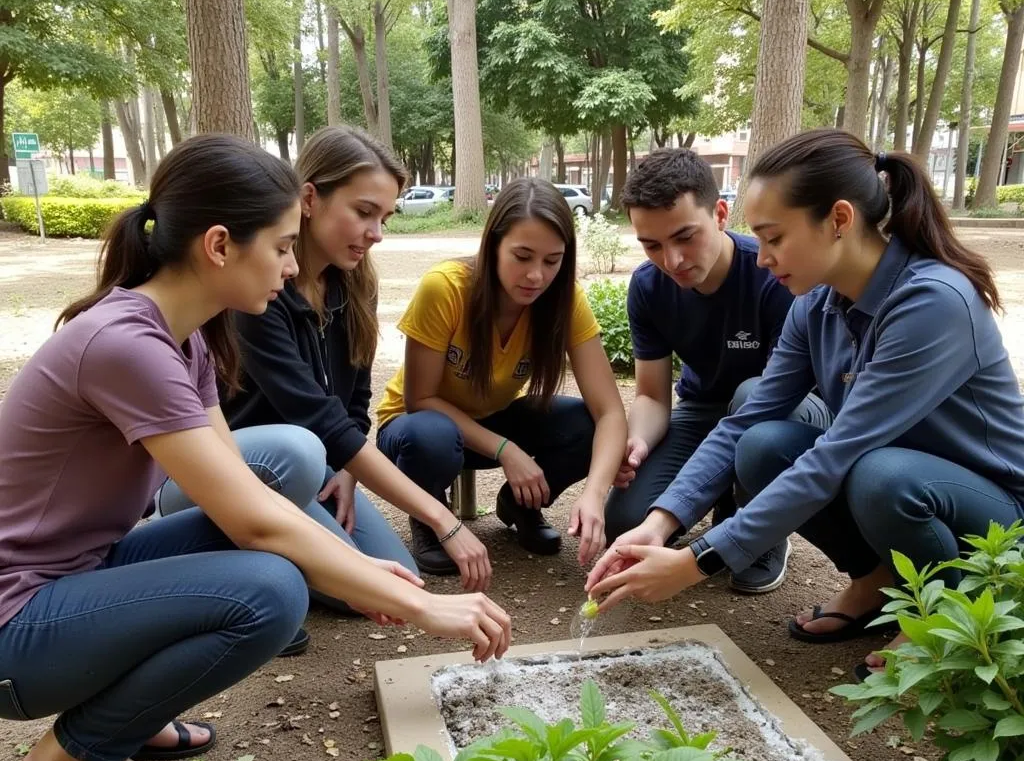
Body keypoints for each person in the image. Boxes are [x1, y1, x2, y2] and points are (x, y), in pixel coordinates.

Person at [0, 135, 511, 761]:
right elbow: (255, 523)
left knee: (276, 564)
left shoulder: (189, 338)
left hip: (75, 576)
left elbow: (245, 496)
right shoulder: (126, 345)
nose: (293, 265)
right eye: (280, 246)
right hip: (17, 626)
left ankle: (124, 712)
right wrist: (417, 606)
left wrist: (364, 570)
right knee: (271, 591)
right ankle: (65, 760)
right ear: (218, 245)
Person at [587, 128, 1024, 680]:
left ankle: (938, 620)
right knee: (763, 444)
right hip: (894, 477)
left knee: (880, 475)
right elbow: (746, 418)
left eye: (773, 238)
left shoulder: (931, 302)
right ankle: (873, 581)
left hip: (997, 514)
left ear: (839, 219)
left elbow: (835, 456)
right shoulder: (816, 302)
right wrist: (659, 522)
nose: (762, 259)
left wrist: (699, 561)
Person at [158, 126, 492, 599]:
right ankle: (235, 564)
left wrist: (348, 474)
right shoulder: (258, 287)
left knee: (389, 573)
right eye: (363, 212)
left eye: (385, 218)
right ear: (309, 198)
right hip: (245, 466)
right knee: (300, 457)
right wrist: (443, 519)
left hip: (312, 469)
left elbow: (354, 402)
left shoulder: (356, 285)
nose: (375, 233)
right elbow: (315, 418)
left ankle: (280, 564)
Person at [605, 147, 830, 593]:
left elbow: (780, 395)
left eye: (685, 236)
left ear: (721, 214)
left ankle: (760, 529)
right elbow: (651, 395)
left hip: (788, 413)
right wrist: (636, 443)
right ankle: (716, 506)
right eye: (651, 245)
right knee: (627, 522)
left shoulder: (774, 277)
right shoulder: (649, 287)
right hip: (705, 409)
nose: (671, 260)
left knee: (751, 395)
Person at [376, 177, 627, 570]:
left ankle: (521, 503)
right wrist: (505, 449)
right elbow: (419, 399)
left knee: (584, 425)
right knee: (431, 436)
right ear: (493, 245)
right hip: (414, 428)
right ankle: (430, 518)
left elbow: (610, 411)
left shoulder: (564, 300)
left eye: (552, 260)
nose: (536, 276)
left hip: (491, 420)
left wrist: (595, 493)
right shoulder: (445, 288)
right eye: (522, 256)